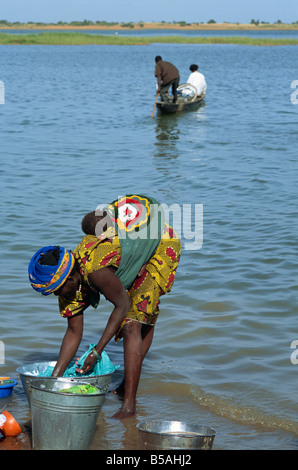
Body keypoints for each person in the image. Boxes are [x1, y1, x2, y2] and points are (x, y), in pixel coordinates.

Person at [28, 195, 181, 420]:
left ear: (71, 279)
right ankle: (123, 388)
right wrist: (54, 381)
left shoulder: (94, 270)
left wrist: (97, 351)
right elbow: (73, 332)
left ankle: (129, 407)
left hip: (159, 245)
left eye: (57, 290)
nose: (56, 295)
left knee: (131, 324)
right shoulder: (68, 280)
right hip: (126, 251)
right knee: (137, 320)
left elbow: (122, 305)